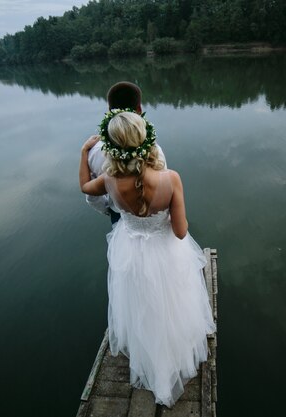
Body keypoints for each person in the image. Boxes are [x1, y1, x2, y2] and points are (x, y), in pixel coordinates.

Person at [79, 111, 216, 407]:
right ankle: (173, 357)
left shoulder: (109, 178)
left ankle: (152, 358)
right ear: (146, 139)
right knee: (172, 302)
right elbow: (181, 232)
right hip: (164, 252)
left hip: (130, 251)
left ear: (112, 146)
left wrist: (83, 153)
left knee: (141, 306)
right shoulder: (170, 179)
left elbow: (84, 188)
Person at [86, 81, 166, 223]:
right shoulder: (154, 150)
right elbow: (162, 187)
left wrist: (109, 210)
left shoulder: (94, 151)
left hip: (119, 217)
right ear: (139, 109)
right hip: (153, 217)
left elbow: (92, 196)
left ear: (110, 110)